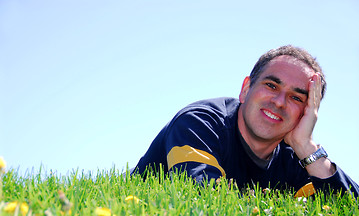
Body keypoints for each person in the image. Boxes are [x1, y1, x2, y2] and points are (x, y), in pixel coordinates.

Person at [131, 45, 359, 198]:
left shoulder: (295, 158)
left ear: (307, 113)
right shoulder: (201, 123)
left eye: (296, 98)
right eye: (271, 85)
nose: (279, 102)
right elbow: (202, 201)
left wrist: (306, 146)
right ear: (246, 89)